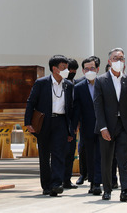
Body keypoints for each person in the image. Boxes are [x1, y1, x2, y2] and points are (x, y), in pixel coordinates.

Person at [94, 48, 127, 202]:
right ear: (109, 61)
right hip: (107, 126)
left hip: (124, 126)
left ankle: (125, 190)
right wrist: (102, 127)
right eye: (115, 58)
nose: (118, 61)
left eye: (121, 58)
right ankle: (107, 190)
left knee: (123, 159)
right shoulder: (101, 81)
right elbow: (98, 106)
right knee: (107, 160)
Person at [24, 55, 74, 196]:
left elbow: (71, 108)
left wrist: (70, 129)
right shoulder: (41, 83)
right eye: (63, 67)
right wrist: (28, 122)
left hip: (61, 122)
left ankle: (56, 184)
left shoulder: (68, 85)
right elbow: (31, 102)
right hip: (44, 122)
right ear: (54, 68)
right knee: (45, 155)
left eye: (67, 67)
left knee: (59, 154)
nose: (66, 70)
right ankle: (46, 185)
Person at [72, 56, 103, 195]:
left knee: (103, 155)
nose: (89, 71)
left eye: (92, 68)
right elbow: (76, 108)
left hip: (104, 126)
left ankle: (104, 180)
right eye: (86, 69)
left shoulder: (104, 83)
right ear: (83, 71)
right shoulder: (78, 87)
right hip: (87, 126)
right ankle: (94, 182)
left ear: (97, 69)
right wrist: (73, 127)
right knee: (90, 155)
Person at [63, 58, 79, 189]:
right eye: (70, 69)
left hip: (72, 126)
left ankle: (66, 180)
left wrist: (75, 124)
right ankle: (57, 179)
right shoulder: (60, 83)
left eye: (74, 70)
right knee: (59, 153)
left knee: (70, 154)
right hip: (60, 124)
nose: (72, 72)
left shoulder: (76, 85)